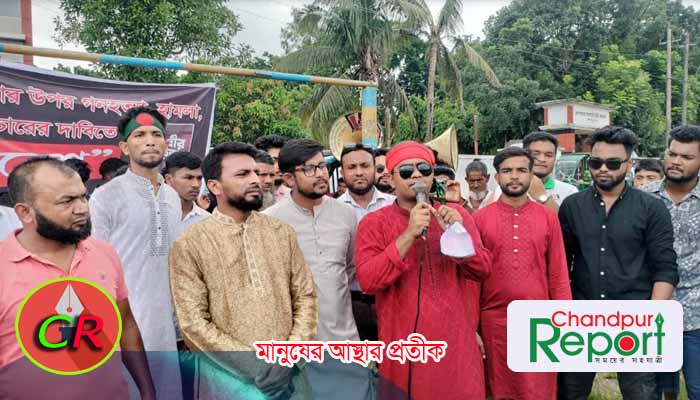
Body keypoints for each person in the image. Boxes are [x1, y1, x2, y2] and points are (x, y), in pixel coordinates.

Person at [169, 142, 317, 399]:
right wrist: (260, 368)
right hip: (229, 384)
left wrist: (289, 359)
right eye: (242, 174)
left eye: (256, 173)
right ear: (215, 186)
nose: (255, 180)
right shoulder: (190, 244)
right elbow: (193, 324)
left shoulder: (281, 233)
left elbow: (305, 297)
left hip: (290, 380)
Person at [0, 157, 155, 400]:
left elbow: (125, 325)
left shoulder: (104, 253)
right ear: (26, 212)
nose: (82, 208)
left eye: (83, 197)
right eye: (67, 201)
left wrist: (147, 390)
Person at [355, 141, 492, 400]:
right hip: (404, 346)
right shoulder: (373, 224)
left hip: (456, 345)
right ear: (391, 179)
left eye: (424, 169)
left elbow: (483, 270)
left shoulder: (456, 215)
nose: (417, 175)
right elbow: (369, 281)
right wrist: (409, 235)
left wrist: (457, 235)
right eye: (406, 171)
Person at [558, 126, 679, 400]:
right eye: (595, 162)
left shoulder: (652, 207)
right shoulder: (572, 206)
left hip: (636, 318)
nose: (603, 169)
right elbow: (561, 264)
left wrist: (651, 320)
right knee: (569, 393)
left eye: (613, 163)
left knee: (640, 394)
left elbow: (665, 268)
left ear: (629, 164)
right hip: (581, 319)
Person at [264, 139, 370, 400]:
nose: (321, 174)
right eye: (310, 169)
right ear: (288, 178)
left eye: (322, 166)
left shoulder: (346, 215)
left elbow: (349, 269)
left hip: (344, 341)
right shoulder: (270, 221)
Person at [89, 106, 183, 400]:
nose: (150, 141)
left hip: (166, 325)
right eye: (139, 135)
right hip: (123, 325)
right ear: (124, 147)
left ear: (166, 143)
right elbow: (93, 264)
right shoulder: (106, 196)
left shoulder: (172, 196)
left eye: (156, 134)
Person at [474, 147, 571, 400]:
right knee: (497, 387)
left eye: (521, 170)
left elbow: (558, 272)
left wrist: (564, 320)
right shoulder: (480, 219)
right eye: (507, 171)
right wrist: (472, 326)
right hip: (494, 321)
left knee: (537, 389)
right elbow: (472, 279)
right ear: (497, 177)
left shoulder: (548, 218)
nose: (514, 176)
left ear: (531, 176)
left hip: (540, 320)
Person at [642, 126, 700, 400]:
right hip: (650, 311)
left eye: (686, 157)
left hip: (696, 314)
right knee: (649, 391)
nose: (676, 161)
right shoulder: (642, 197)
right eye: (672, 154)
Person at [337, 143, 395, 341]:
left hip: (391, 301)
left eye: (365, 166)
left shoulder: (393, 205)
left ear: (374, 168)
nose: (359, 172)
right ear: (342, 173)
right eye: (351, 167)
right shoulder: (331, 210)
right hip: (349, 305)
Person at [163, 151, 210, 231]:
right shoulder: (152, 213)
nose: (196, 185)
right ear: (169, 179)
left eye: (199, 178)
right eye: (188, 178)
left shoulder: (206, 220)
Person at [254, 134, 291, 202]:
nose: (280, 166)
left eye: (283, 160)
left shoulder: (292, 197)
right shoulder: (246, 198)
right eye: (274, 160)